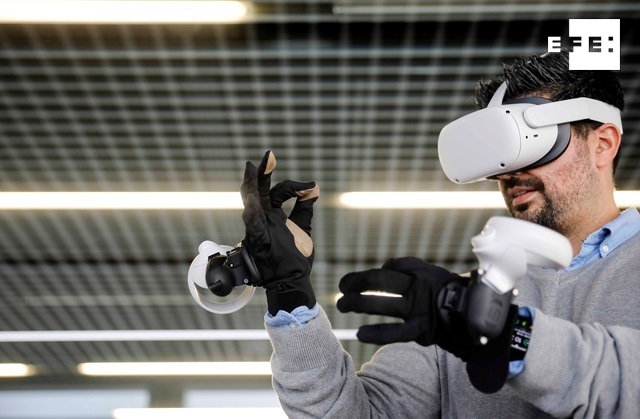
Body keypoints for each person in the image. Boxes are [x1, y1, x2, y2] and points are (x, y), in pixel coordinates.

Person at [238, 51, 640, 417]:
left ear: (602, 144)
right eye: (498, 151)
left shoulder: (463, 311)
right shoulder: (454, 308)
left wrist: (507, 334)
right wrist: (290, 294)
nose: (508, 173)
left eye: (530, 141)